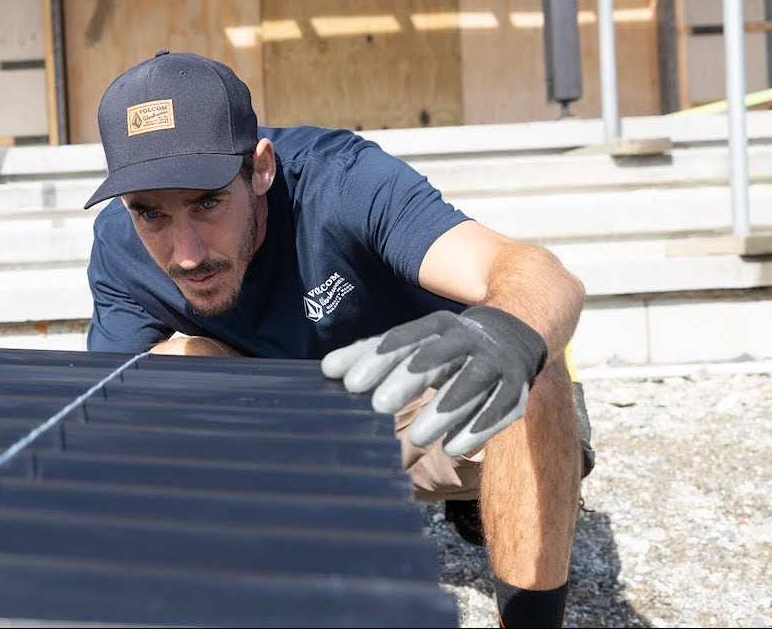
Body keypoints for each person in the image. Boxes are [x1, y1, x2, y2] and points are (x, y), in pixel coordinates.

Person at [83, 50, 593, 628]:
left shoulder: (344, 183)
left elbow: (542, 274)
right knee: (167, 372)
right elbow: (104, 421)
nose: (188, 252)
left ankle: (501, 549)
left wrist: (505, 334)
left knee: (535, 374)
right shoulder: (120, 249)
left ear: (261, 168)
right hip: (287, 426)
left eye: (207, 202)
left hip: (416, 401)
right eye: (151, 214)